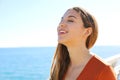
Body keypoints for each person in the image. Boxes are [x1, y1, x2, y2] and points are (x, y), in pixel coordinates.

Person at [49, 7, 116, 80]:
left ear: (87, 32)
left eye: (70, 20)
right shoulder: (59, 68)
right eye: (61, 20)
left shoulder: (103, 71)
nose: (61, 24)